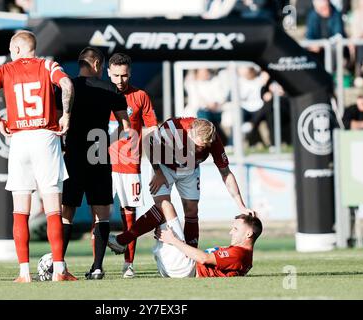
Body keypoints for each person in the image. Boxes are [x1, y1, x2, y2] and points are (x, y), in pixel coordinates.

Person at [0, 30, 75, 283]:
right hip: (45, 137)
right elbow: (67, 84)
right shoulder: (48, 65)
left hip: (20, 140)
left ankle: (24, 273)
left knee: (20, 211)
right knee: (53, 208)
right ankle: (59, 271)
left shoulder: (5, 70)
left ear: (18, 49)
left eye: (12, 50)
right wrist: (65, 115)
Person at [109, 117, 254, 253]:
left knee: (191, 210)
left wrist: (241, 206)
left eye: (204, 147)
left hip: (190, 170)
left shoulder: (213, 139)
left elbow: (226, 173)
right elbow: (148, 142)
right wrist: (158, 172)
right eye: (197, 145)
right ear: (190, 132)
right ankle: (123, 240)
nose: (199, 150)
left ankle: (190, 257)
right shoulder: (172, 129)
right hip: (164, 167)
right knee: (163, 207)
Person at [60, 47, 132, 280]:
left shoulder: (67, 87)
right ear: (99, 65)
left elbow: (57, 122)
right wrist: (112, 140)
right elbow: (126, 126)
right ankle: (98, 266)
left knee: (67, 211)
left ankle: (59, 266)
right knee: (101, 213)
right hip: (99, 152)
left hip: (72, 154)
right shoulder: (111, 89)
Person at [103, 52, 158, 278]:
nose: (120, 80)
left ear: (130, 73)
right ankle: (97, 265)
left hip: (129, 165)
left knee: (129, 215)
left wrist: (156, 165)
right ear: (108, 73)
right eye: (115, 75)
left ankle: (129, 265)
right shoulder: (100, 94)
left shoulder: (140, 96)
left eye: (124, 75)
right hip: (102, 163)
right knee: (100, 215)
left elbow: (152, 130)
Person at [108, 201, 262, 278]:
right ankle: (122, 241)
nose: (230, 232)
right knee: (161, 210)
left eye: (235, 229)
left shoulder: (240, 254)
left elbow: (203, 258)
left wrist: (173, 240)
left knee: (164, 205)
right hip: (182, 267)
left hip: (185, 268)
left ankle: (121, 241)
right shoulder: (241, 254)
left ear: (249, 234)